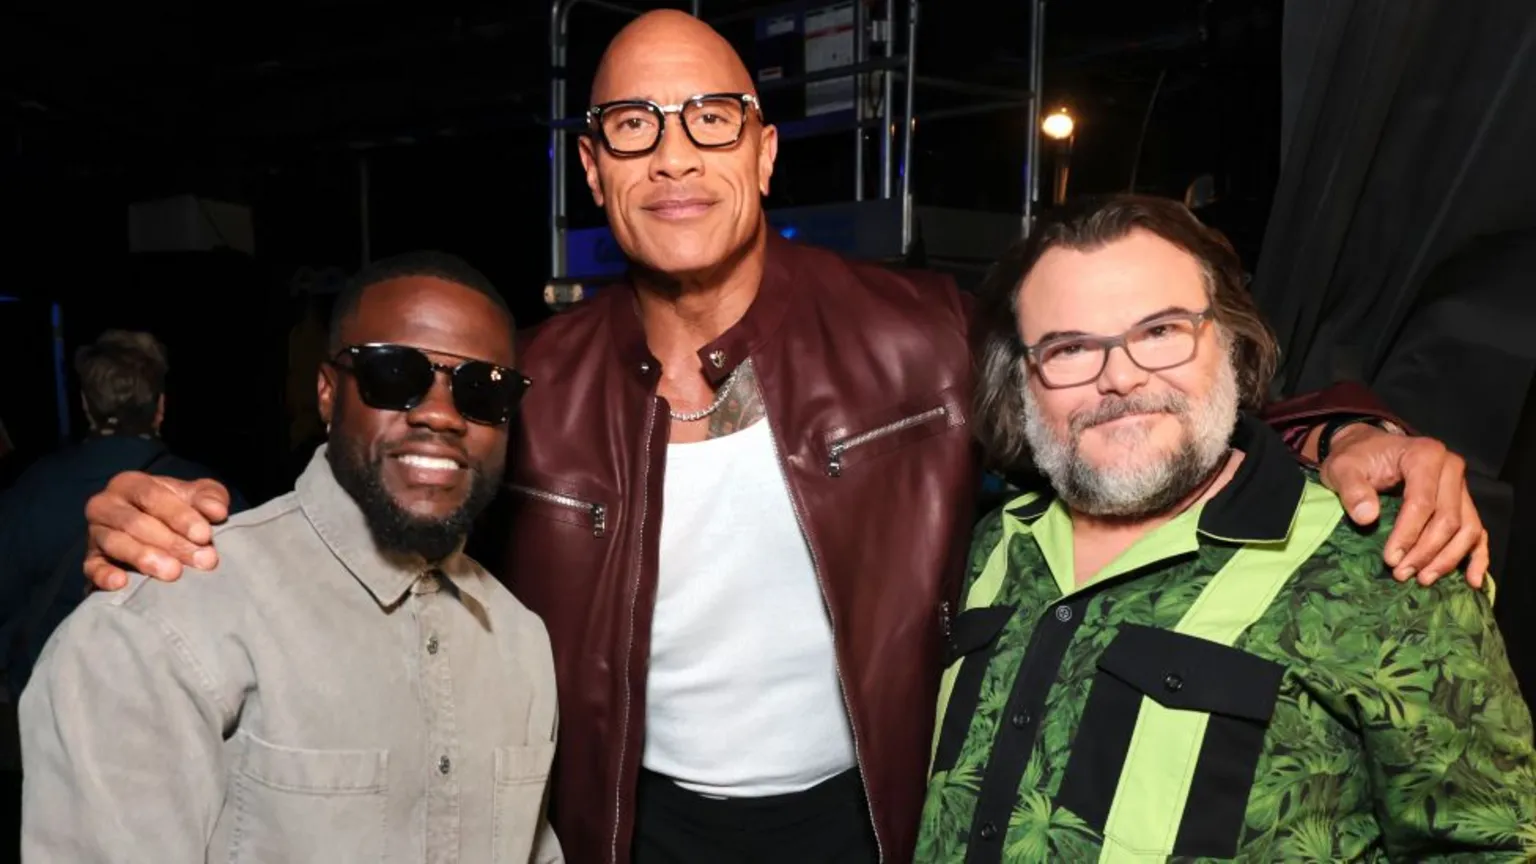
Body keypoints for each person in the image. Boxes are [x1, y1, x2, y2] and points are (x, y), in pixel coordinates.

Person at [76, 13, 1490, 863]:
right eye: (632, 124)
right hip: (629, 828)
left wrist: (1344, 432)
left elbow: (1116, 391)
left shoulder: (922, 332)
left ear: (762, 152)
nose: (674, 152)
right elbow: (387, 489)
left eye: (710, 118)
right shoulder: (534, 376)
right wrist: (179, 507)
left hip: (867, 818)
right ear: (593, 170)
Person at [919, 196, 1535, 862]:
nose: (1119, 378)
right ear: (1022, 384)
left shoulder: (1384, 565)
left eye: (1160, 331)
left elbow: (1482, 846)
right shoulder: (990, 543)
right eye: (1069, 348)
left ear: (1233, 345)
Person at [20, 253, 563, 863]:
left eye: (481, 390)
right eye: (392, 373)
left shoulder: (522, 643)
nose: (439, 413)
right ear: (328, 394)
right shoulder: (163, 622)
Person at [0, 330, 247, 695]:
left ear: (86, 404)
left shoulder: (32, 486)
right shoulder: (211, 495)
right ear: (160, 407)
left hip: (54, 696)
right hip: (169, 703)